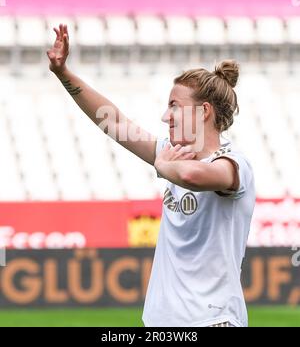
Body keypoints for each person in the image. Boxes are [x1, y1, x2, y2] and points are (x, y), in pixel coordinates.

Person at [47, 24, 255, 328]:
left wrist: (163, 166)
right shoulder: (171, 154)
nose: (165, 116)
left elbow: (194, 176)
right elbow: (114, 122)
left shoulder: (234, 164)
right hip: (161, 323)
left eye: (174, 106)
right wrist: (64, 73)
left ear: (204, 112)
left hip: (213, 321)